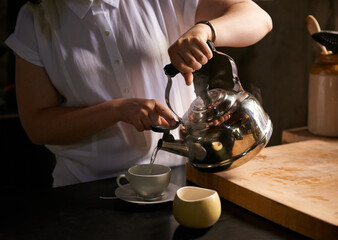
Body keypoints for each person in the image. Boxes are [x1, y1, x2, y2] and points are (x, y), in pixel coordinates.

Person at [5, 0, 272, 187]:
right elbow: (38, 126)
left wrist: (205, 30)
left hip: (186, 177)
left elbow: (259, 17)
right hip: (84, 188)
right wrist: (117, 110)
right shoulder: (35, 17)